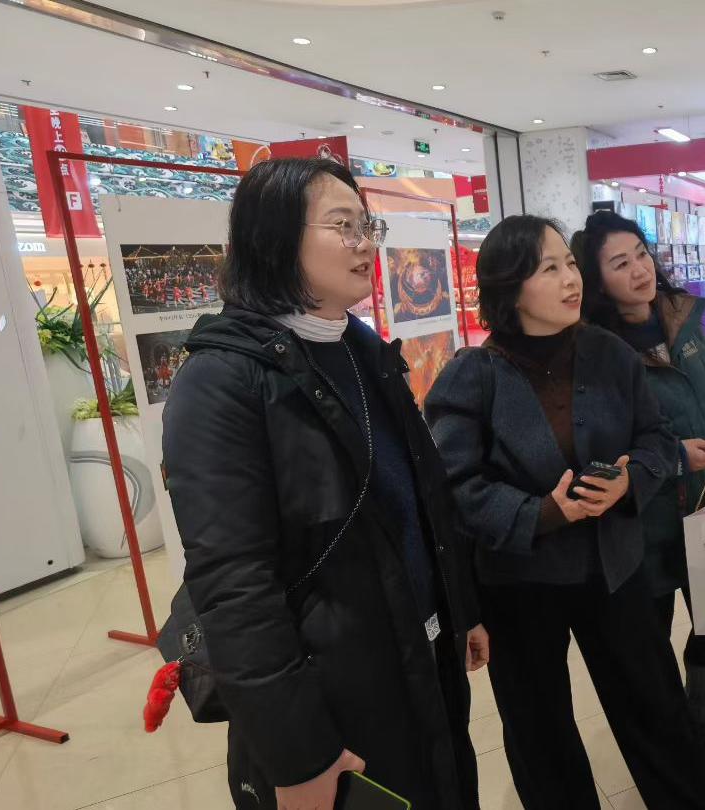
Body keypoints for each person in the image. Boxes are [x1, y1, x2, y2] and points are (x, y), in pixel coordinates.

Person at [162, 157, 487, 810]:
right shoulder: (221, 382)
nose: (365, 243)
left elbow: (416, 502)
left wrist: (461, 608)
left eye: (368, 225)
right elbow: (233, 585)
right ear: (275, 237)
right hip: (330, 692)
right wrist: (297, 754)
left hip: (415, 657)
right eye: (344, 226)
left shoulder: (362, 350)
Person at [425, 215, 705, 810]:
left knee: (653, 704)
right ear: (510, 288)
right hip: (519, 584)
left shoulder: (608, 353)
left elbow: (654, 437)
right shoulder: (472, 376)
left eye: (570, 263)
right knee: (539, 727)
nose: (571, 278)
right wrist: (542, 511)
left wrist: (630, 480)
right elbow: (454, 489)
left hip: (615, 567)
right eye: (550, 268)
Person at [572, 210, 705, 766]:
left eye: (642, 255)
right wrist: (673, 457)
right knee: (653, 629)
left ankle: (703, 708)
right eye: (620, 263)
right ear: (598, 280)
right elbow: (600, 439)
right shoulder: (596, 350)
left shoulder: (683, 319)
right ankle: (670, 726)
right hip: (645, 515)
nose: (640, 270)